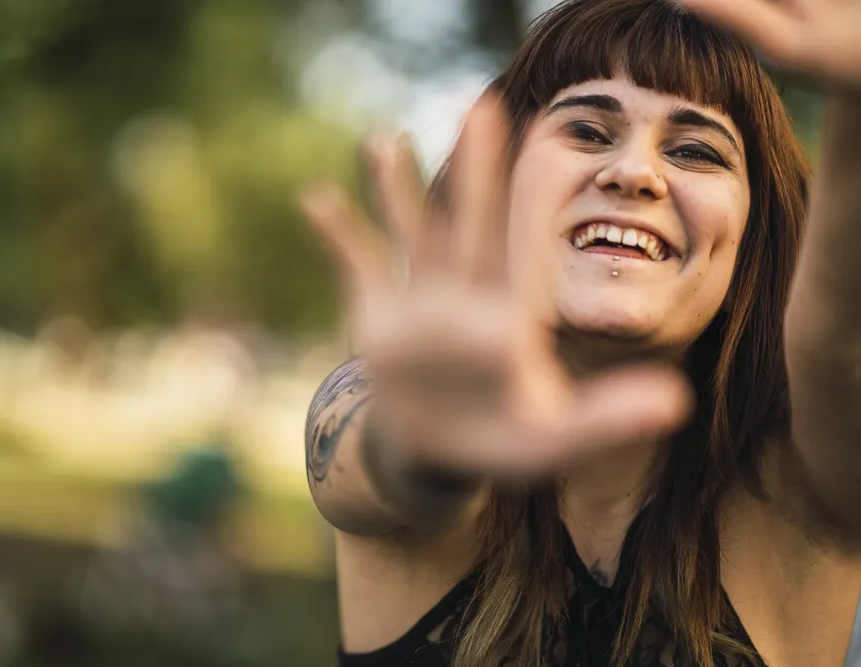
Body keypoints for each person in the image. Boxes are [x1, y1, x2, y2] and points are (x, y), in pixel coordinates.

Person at [300, 0, 861, 665]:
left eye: (694, 150)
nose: (635, 173)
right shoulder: (382, 397)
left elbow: (837, 350)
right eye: (590, 132)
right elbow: (383, 454)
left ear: (751, 241)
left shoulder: (807, 480)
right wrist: (430, 449)